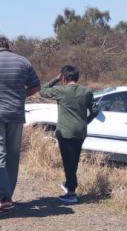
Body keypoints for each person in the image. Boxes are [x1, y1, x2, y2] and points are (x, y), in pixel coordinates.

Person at [0, 36, 41, 212]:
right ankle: (9, 195)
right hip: (16, 113)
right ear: (8, 46)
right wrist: (21, 96)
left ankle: (2, 197)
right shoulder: (23, 61)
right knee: (14, 154)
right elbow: (36, 86)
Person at [39, 65, 99, 204]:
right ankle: (69, 184)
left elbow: (42, 91)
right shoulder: (86, 91)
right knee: (74, 160)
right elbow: (95, 111)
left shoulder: (61, 90)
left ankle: (71, 192)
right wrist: (85, 121)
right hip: (80, 131)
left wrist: (55, 79)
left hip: (65, 132)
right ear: (77, 77)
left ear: (64, 78)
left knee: (68, 162)